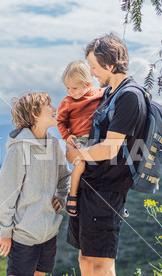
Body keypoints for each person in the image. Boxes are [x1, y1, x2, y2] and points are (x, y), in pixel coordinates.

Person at [65, 34, 147, 276]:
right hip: (91, 188)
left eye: (95, 67)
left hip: (107, 192)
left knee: (102, 267)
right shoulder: (111, 93)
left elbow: (110, 149)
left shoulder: (129, 97)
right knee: (86, 262)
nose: (92, 72)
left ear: (110, 65)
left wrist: (77, 154)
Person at [0, 92, 71, 276]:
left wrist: (61, 198)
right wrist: (5, 230)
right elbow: (5, 191)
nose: (55, 108)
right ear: (35, 114)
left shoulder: (54, 145)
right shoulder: (20, 149)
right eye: (49, 106)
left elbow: (65, 177)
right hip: (24, 232)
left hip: (48, 231)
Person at [56, 60, 103, 217]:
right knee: (80, 163)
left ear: (87, 84)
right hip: (79, 139)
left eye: (74, 88)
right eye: (67, 88)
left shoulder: (99, 94)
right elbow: (60, 122)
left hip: (97, 138)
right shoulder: (68, 102)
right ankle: (73, 194)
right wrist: (67, 136)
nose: (70, 91)